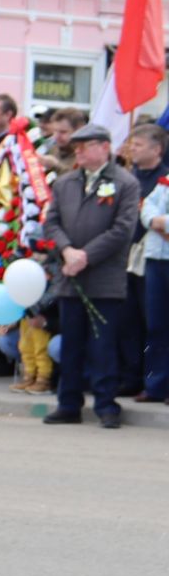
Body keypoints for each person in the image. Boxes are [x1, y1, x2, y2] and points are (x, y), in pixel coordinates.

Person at [44, 123, 141, 427]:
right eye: (77, 146)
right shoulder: (65, 182)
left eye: (85, 146)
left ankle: (106, 405)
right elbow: (52, 222)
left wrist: (85, 255)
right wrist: (67, 250)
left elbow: (123, 229)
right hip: (70, 275)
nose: (79, 152)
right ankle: (68, 403)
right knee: (71, 343)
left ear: (104, 147)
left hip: (104, 278)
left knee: (103, 345)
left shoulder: (125, 183)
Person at [115, 124, 166, 396]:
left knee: (153, 322)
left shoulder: (163, 179)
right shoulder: (126, 177)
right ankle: (130, 376)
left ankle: (155, 381)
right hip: (125, 256)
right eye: (132, 145)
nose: (132, 149)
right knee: (128, 321)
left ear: (156, 149)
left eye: (139, 145)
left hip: (153, 256)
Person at [138, 160, 169, 402]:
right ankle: (155, 385)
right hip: (156, 259)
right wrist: (153, 221)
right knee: (156, 324)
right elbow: (147, 207)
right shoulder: (164, 182)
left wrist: (163, 222)